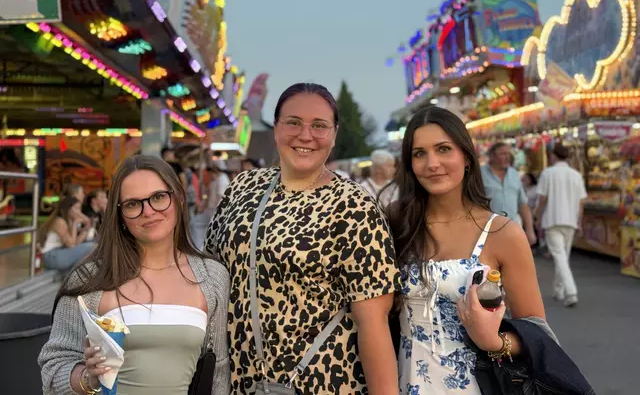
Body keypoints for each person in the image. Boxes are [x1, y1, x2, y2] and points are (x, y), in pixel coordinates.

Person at [205, 82, 401, 394]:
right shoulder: (243, 188)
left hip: (324, 383)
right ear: (276, 128)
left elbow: (373, 324)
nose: (305, 135)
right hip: (241, 384)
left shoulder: (354, 206)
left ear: (334, 134)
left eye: (319, 126)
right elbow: (209, 275)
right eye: (293, 122)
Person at [39, 155, 230, 395]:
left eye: (158, 197)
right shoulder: (88, 279)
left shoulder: (212, 278)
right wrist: (89, 378)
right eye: (132, 204)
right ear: (119, 214)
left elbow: (219, 373)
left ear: (179, 199)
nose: (148, 211)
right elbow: (53, 368)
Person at [388, 106, 545, 394]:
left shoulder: (502, 232)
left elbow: (537, 332)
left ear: (467, 157)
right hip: (405, 384)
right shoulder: (396, 224)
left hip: (478, 386)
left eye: (443, 149)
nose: (432, 163)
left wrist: (494, 341)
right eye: (419, 153)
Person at [534, 144, 587, 308]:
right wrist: (579, 222)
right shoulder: (576, 175)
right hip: (571, 220)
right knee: (563, 256)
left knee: (560, 256)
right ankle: (559, 290)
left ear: (553, 156)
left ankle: (571, 292)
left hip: (552, 219)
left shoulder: (548, 173)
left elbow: (542, 199)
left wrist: (537, 216)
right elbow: (580, 202)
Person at [481, 142, 536, 245]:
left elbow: (523, 204)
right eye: (502, 154)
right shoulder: (480, 174)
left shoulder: (514, 174)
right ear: (492, 156)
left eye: (508, 154)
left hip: (512, 229)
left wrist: (530, 230)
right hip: (487, 232)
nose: (507, 157)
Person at [38, 196, 96, 273]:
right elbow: (71, 245)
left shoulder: (67, 221)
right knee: (93, 246)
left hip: (58, 253)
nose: (79, 212)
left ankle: (73, 274)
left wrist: (86, 229)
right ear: (68, 209)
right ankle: (73, 275)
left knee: (94, 244)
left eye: (79, 209)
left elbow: (76, 243)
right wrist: (75, 223)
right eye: (76, 208)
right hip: (51, 256)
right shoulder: (59, 221)